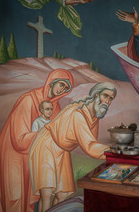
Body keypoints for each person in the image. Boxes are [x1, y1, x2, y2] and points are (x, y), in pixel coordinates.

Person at [29, 82, 116, 212]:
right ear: (96, 95)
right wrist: (115, 151)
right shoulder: (78, 114)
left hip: (62, 149)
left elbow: (91, 141)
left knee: (62, 194)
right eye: (106, 96)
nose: (108, 101)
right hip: (47, 144)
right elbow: (89, 146)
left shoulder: (93, 117)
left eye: (111, 99)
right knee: (46, 193)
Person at [0, 69, 74, 212]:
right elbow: (19, 140)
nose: (61, 89)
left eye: (65, 88)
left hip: (34, 156)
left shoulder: (56, 107)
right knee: (16, 197)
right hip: (14, 155)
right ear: (52, 81)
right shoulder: (28, 99)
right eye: (61, 84)